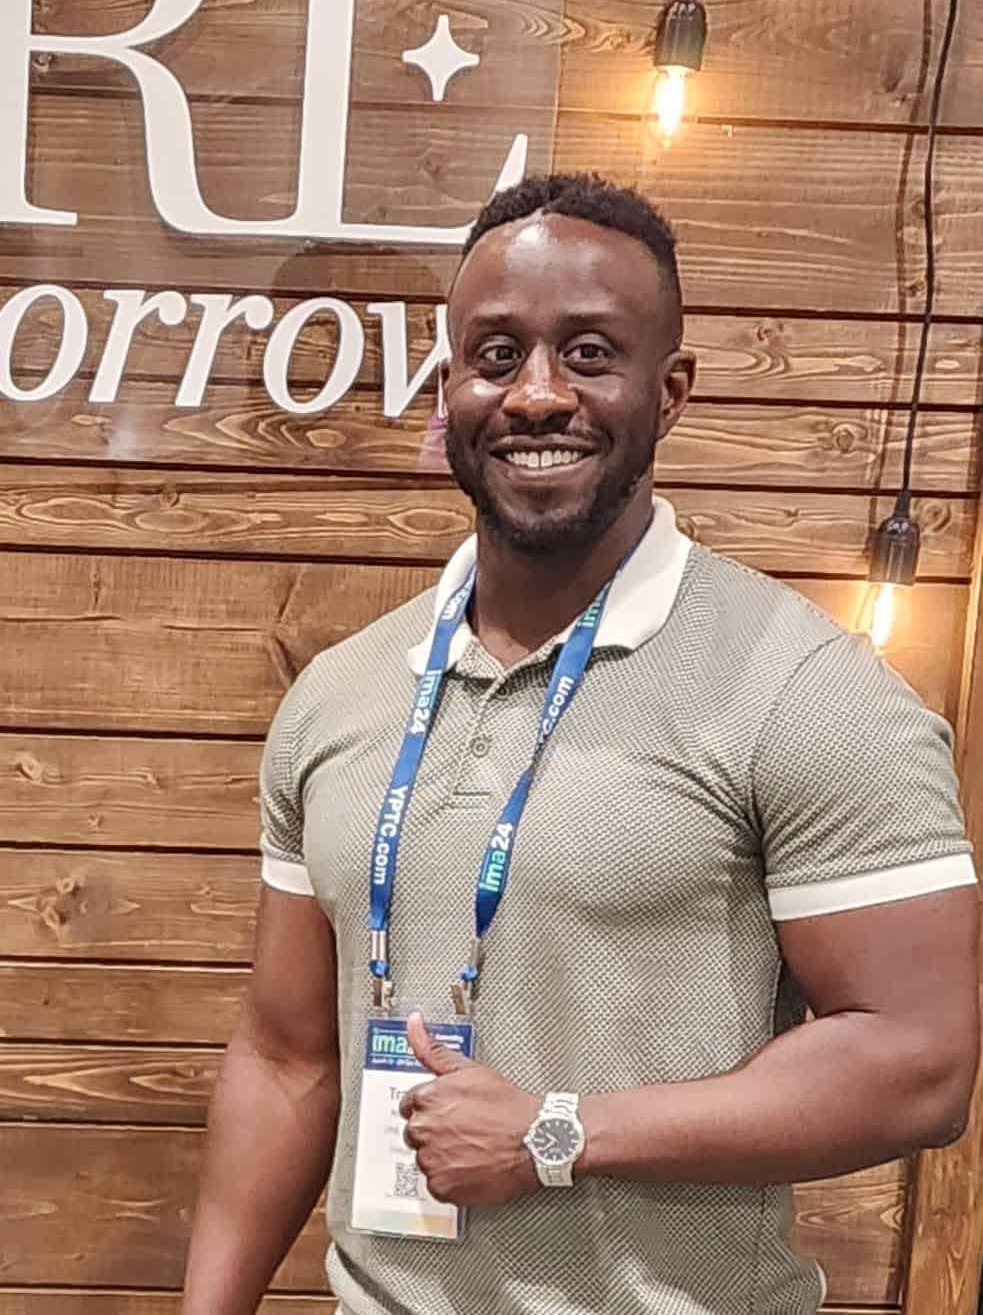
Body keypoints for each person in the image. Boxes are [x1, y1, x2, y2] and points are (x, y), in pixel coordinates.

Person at [182, 173, 980, 1315]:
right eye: (496, 355)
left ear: (670, 393)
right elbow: (282, 1056)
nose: (537, 395)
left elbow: (917, 1062)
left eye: (590, 353)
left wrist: (557, 1133)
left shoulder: (806, 690)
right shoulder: (339, 696)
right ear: (449, 385)